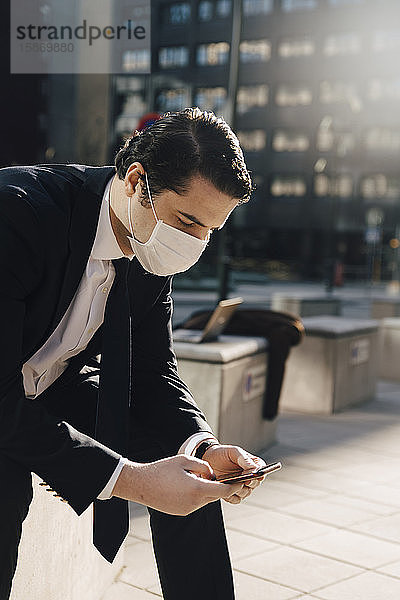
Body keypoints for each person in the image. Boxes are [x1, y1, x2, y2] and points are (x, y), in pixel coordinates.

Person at [0, 107, 267, 600]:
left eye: (210, 230)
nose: (193, 243)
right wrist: (132, 481)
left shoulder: (149, 244)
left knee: (190, 467)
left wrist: (202, 447)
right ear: (136, 179)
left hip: (43, 384)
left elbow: (154, 371)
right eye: (188, 220)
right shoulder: (18, 212)